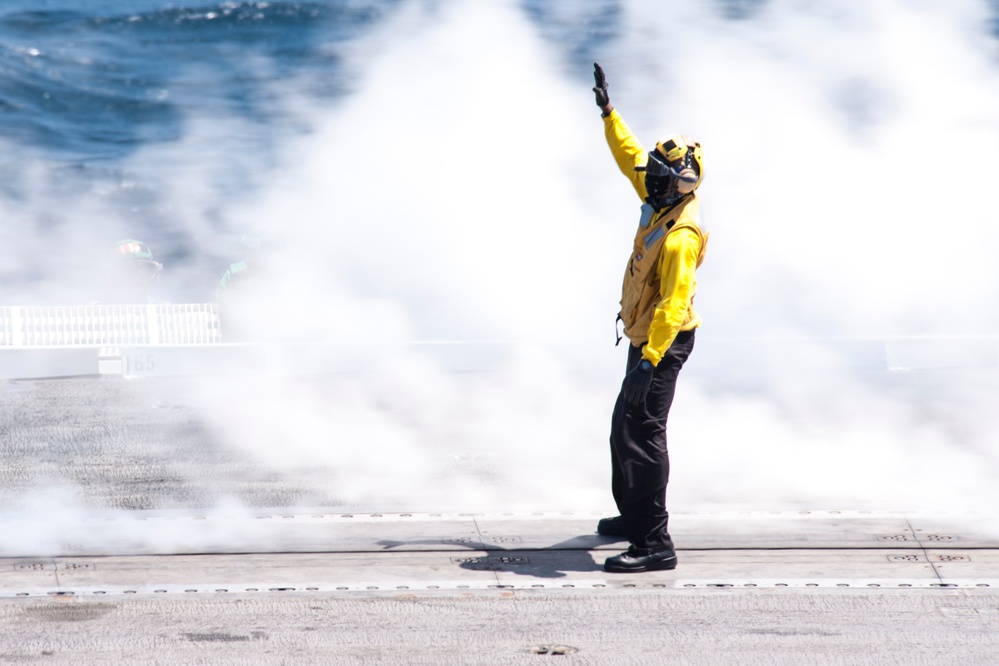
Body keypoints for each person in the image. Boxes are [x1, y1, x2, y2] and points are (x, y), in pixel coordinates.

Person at [592, 63, 709, 573]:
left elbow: (674, 305)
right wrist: (609, 114)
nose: (650, 181)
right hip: (645, 341)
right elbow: (630, 159)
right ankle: (633, 516)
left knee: (642, 434)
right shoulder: (660, 196)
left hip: (662, 345)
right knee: (624, 429)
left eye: (660, 178)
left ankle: (655, 543)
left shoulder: (681, 235)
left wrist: (649, 361)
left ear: (682, 184)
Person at [97, 239, 168, 304]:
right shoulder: (91, 312)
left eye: (146, 269)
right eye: (131, 270)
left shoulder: (166, 310)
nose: (139, 276)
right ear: (112, 275)